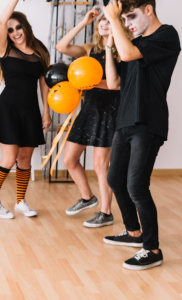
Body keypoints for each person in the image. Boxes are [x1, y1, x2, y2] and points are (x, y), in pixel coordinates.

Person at [103, 0, 180, 270]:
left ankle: (152, 249)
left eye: (131, 16)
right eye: (124, 19)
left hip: (148, 121)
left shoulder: (166, 35)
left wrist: (113, 20)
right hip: (125, 120)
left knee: (136, 185)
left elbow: (128, 55)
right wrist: (108, 45)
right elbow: (113, 82)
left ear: (149, 9)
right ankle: (133, 232)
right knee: (115, 179)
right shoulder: (133, 44)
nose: (128, 23)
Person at [56, 10, 132, 228]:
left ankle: (106, 212)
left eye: (110, 20)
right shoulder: (91, 49)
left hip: (110, 110)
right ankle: (88, 197)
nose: (104, 24)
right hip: (89, 110)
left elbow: (115, 84)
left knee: (100, 166)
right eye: (102, 20)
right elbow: (61, 47)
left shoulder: (124, 52)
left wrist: (88, 83)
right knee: (69, 160)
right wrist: (84, 22)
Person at [0, 0, 51, 219]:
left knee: (25, 159)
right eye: (10, 30)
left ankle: (21, 202)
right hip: (9, 109)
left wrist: (46, 111)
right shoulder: (5, 49)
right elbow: (2, 20)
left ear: (25, 26)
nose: (14, 33)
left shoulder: (40, 51)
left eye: (18, 27)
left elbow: (44, 83)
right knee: (9, 158)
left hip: (30, 110)